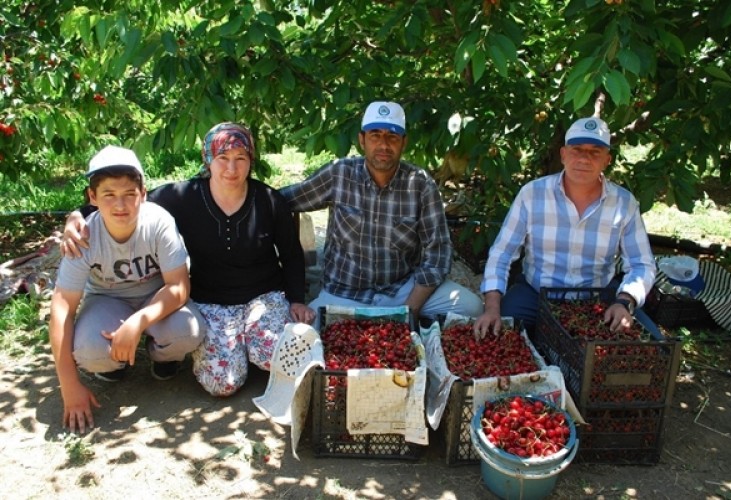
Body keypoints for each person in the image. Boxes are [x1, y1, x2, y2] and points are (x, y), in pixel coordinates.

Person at [61, 123, 316, 397]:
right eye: (223, 158)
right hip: (211, 303)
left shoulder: (268, 200)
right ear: (208, 159)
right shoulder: (181, 197)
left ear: (250, 161)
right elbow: (124, 198)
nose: (231, 168)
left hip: (262, 299)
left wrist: (297, 298)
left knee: (276, 356)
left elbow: (291, 254)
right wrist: (75, 216)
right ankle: (220, 350)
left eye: (240, 158)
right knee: (222, 384)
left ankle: (250, 343)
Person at [280, 101, 484, 323]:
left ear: (403, 142)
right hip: (344, 293)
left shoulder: (420, 184)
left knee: (471, 307)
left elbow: (438, 253)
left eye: (392, 136)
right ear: (362, 140)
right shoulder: (339, 174)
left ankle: (409, 322)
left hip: (401, 290)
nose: (383, 145)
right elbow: (284, 200)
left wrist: (409, 311)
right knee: (301, 329)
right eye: (375, 135)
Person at [50, 145, 206, 433]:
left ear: (143, 194)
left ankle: (162, 355)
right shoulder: (83, 237)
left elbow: (179, 286)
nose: (120, 205)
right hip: (107, 299)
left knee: (189, 330)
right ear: (92, 197)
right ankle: (115, 363)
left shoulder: (158, 223)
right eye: (109, 195)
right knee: (88, 351)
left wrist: (138, 322)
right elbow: (62, 307)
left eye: (129, 195)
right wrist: (69, 386)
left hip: (157, 297)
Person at [474, 116, 656, 336]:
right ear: (563, 155)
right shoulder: (532, 194)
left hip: (598, 297)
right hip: (535, 294)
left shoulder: (623, 203)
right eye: (577, 149)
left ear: (607, 160)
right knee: (499, 336)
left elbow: (641, 264)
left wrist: (624, 302)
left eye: (594, 152)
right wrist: (492, 307)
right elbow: (502, 253)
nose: (584, 159)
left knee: (651, 344)